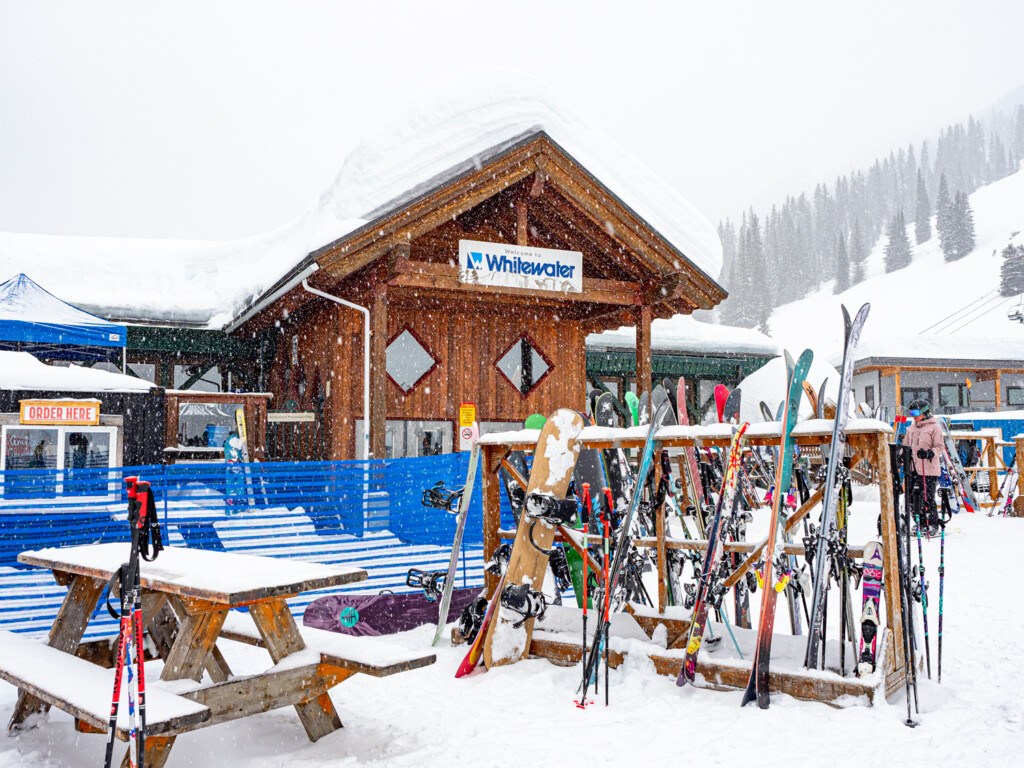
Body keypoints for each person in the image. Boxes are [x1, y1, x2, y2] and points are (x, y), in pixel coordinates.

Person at [902, 398, 943, 535]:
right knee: (913, 498)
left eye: (915, 412)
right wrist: (901, 455)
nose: (913, 415)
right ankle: (919, 523)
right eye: (911, 412)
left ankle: (932, 524)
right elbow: (906, 446)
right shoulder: (911, 428)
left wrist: (929, 453)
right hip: (913, 469)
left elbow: (940, 447)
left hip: (929, 469)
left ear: (925, 412)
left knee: (927, 497)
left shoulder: (934, 428)